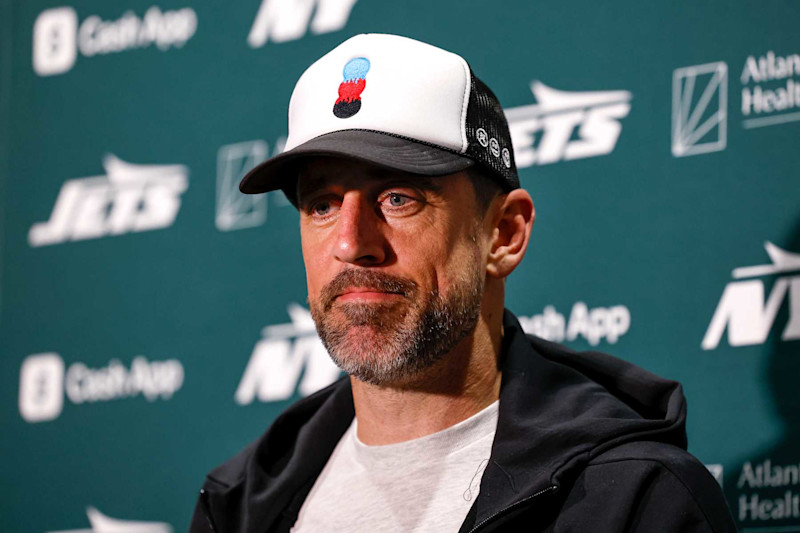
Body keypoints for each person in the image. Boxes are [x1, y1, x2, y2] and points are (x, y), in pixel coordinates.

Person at [190, 34, 736, 532]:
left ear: (503, 233)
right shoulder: (238, 505)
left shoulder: (635, 500)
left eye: (397, 198)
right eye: (323, 204)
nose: (351, 243)